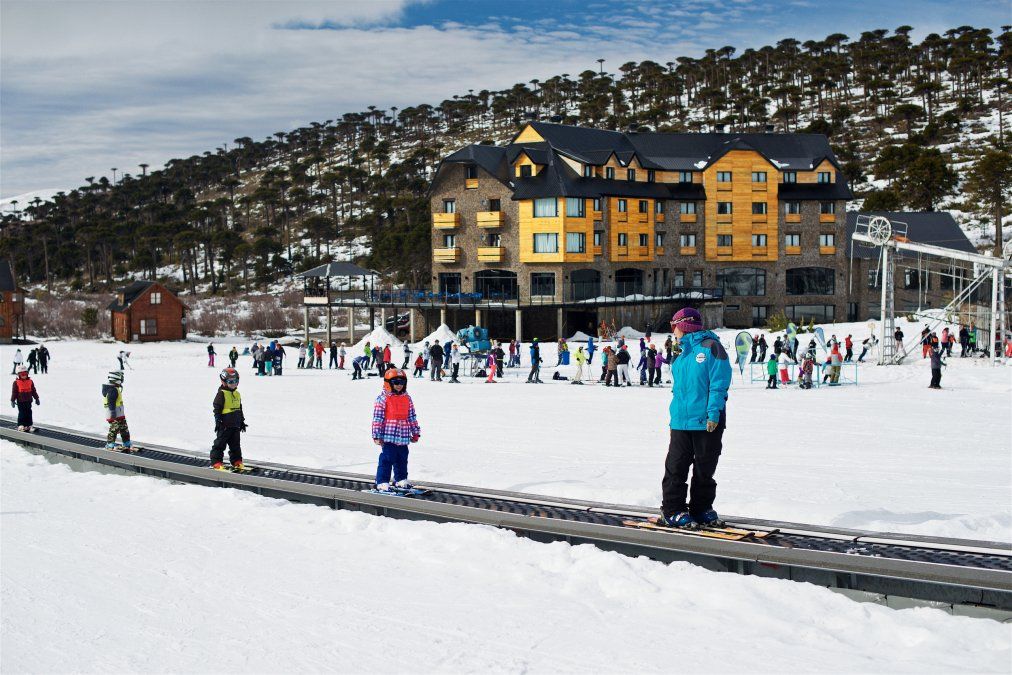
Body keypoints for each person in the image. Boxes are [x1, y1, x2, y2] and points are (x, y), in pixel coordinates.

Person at [660, 307, 732, 529]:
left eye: (674, 326)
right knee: (676, 467)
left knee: (704, 468)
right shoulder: (682, 355)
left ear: (683, 325)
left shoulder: (712, 348)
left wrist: (713, 413)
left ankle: (701, 509)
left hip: (707, 422)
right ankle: (673, 510)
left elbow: (718, 384)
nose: (673, 331)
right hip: (682, 422)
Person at [371, 368, 421, 492]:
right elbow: (377, 418)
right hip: (388, 436)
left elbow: (411, 416)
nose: (399, 385)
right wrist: (376, 435)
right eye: (396, 382)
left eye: (402, 382)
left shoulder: (407, 398)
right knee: (387, 458)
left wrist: (415, 432)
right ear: (388, 383)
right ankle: (382, 482)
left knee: (402, 458)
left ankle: (401, 480)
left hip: (403, 436)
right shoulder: (383, 399)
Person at [211, 367, 247, 471]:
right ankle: (216, 461)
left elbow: (239, 408)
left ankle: (236, 461)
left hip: (235, 424)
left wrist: (242, 421)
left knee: (235, 445)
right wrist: (218, 420)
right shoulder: (221, 393)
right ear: (224, 382)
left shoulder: (237, 394)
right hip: (225, 424)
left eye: (236, 381)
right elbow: (217, 408)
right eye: (231, 382)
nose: (233, 384)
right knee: (220, 444)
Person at [102, 370, 131, 451]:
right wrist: (113, 413)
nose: (122, 380)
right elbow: (111, 402)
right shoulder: (112, 390)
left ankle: (126, 442)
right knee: (114, 428)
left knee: (123, 428)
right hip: (113, 413)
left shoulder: (115, 388)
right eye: (121, 378)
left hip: (119, 413)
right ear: (117, 379)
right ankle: (110, 444)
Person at [11, 365, 40, 431]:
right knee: (22, 413)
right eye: (22, 374)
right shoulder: (16, 383)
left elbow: (33, 390)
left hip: (28, 401)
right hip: (21, 401)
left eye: (25, 374)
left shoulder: (30, 381)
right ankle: (21, 425)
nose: (24, 375)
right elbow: (14, 392)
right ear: (18, 375)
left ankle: (29, 425)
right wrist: (12, 400)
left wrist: (36, 398)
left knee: (29, 412)